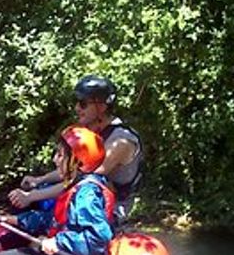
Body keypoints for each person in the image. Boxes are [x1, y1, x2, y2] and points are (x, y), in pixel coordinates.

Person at [0, 126, 115, 255]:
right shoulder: (75, 185)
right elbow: (53, 219)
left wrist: (58, 242)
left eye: (60, 155)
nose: (55, 160)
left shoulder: (87, 194)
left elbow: (98, 239)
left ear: (77, 162)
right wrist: (15, 220)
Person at [9, 75, 143, 225]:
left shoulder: (120, 142)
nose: (77, 108)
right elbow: (73, 168)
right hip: (83, 196)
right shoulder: (91, 131)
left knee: (40, 213)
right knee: (35, 198)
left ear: (102, 107)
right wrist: (39, 180)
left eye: (83, 104)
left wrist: (30, 196)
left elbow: (80, 181)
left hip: (102, 209)